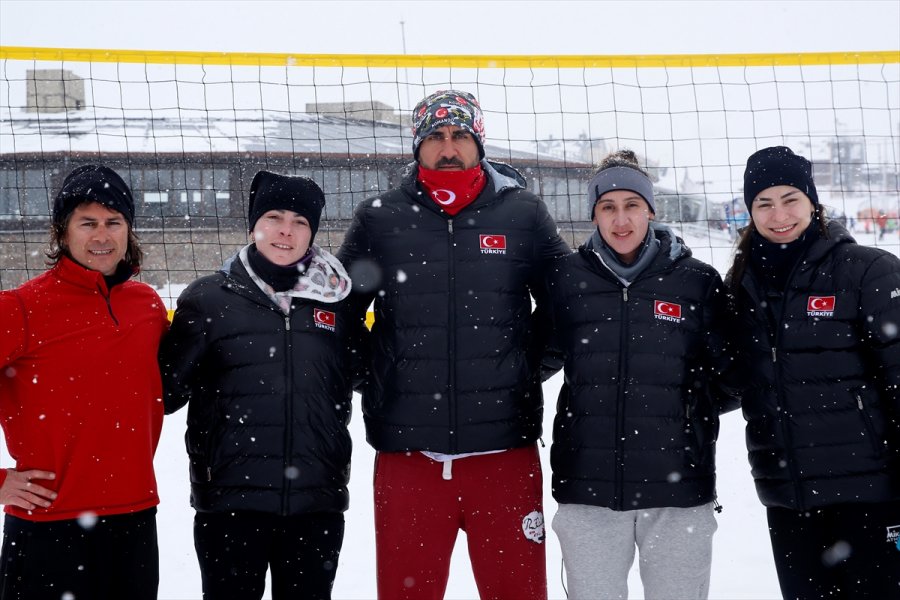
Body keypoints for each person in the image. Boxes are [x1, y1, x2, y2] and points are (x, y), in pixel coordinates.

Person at [337, 89, 569, 600]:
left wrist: (525, 369)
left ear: (478, 142)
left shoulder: (523, 213)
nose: (448, 147)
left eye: (460, 135)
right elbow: (340, 314)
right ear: (417, 147)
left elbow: (564, 305)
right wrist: (379, 378)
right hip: (408, 454)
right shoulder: (380, 217)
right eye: (436, 136)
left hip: (504, 450)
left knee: (517, 592)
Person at [159, 171, 363, 600]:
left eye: (300, 221)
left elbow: (372, 375)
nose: (286, 230)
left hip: (316, 504)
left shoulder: (338, 302)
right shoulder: (208, 299)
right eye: (274, 216)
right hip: (231, 504)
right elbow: (163, 391)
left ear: (312, 232)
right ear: (254, 224)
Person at [547, 150, 736, 600]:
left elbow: (730, 376)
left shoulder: (696, 281)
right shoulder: (566, 279)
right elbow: (534, 357)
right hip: (587, 489)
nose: (621, 220)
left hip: (678, 489)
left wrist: (686, 416)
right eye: (607, 207)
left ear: (651, 209)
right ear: (593, 213)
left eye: (632, 205)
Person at [726, 146, 900, 599]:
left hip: (870, 495)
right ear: (750, 211)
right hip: (790, 497)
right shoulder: (742, 284)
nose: (778, 214)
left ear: (812, 202)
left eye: (790, 199)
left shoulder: (867, 271)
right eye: (763, 203)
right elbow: (731, 379)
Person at [0, 165, 168, 600]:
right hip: (47, 529)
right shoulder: (20, 308)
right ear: (62, 232)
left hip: (134, 522)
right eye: (87, 223)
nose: (102, 236)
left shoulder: (146, 305)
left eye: (114, 223)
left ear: (128, 231)